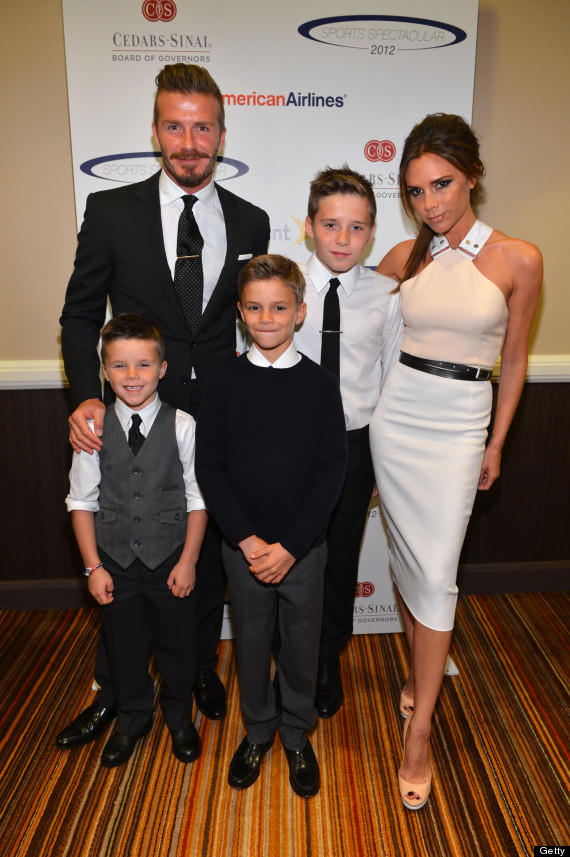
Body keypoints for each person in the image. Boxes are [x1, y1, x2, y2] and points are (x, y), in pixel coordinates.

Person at [57, 63, 270, 748]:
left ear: (221, 135)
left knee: (203, 550)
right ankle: (116, 690)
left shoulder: (252, 220)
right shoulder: (111, 211)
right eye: (175, 127)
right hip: (136, 412)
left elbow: (256, 324)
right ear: (155, 132)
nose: (189, 142)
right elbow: (79, 314)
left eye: (202, 128)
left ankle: (200, 668)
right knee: (121, 552)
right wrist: (85, 395)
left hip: (221, 416)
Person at [369, 113, 542, 810]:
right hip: (396, 422)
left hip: (461, 424)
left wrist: (497, 441)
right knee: (407, 559)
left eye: (441, 184)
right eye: (415, 191)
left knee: (438, 572)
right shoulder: (405, 257)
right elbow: (341, 296)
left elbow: (517, 359)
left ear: (473, 175)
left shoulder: (518, 258)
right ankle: (419, 677)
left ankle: (421, 735)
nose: (430, 203)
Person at [195, 255, 347, 797]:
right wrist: (247, 539)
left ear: (300, 312)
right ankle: (258, 729)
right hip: (244, 548)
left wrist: (292, 546)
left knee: (302, 645)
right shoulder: (222, 382)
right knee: (253, 643)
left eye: (279, 308)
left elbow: (332, 472)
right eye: (255, 308)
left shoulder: (320, 385)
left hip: (303, 549)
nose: (267, 318)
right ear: (240, 313)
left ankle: (296, 732)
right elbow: (210, 468)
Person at [63, 314, 207, 767]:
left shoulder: (183, 425)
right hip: (115, 563)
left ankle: (179, 717)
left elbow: (198, 499)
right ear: (104, 372)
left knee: (176, 646)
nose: (132, 375)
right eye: (119, 365)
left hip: (170, 560)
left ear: (162, 369)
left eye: (143, 364)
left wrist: (188, 561)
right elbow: (80, 501)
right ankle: (132, 718)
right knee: (123, 647)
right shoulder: (93, 429)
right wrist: (94, 567)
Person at [293, 167, 403, 717]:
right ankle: (289, 654)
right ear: (309, 226)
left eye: (357, 227)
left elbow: (391, 383)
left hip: (354, 446)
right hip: (288, 447)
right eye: (331, 224)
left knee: (339, 560)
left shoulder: (388, 296)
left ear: (372, 232)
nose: (342, 239)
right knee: (291, 556)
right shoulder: (282, 287)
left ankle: (326, 659)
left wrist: (382, 463)